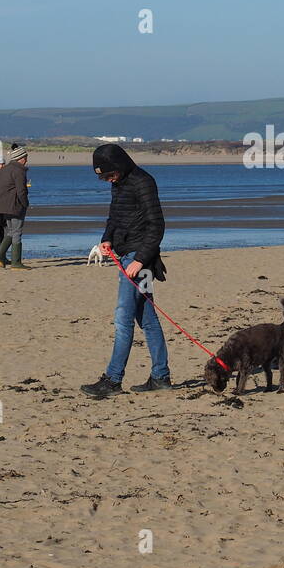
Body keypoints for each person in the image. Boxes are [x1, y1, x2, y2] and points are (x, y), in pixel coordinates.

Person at [83, 143, 170, 398]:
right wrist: (107, 238)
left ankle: (113, 380)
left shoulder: (144, 182)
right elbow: (114, 216)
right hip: (126, 255)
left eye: (110, 174)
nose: (108, 179)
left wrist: (140, 260)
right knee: (148, 320)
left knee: (123, 319)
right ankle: (161, 376)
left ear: (120, 166)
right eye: (104, 177)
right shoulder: (118, 184)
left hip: (140, 260)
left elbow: (157, 226)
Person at [0, 145, 30, 269]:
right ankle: (16, 262)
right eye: (26, 157)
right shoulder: (19, 171)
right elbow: (21, 190)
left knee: (11, 231)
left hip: (3, 205)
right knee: (17, 232)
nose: (27, 160)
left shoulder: (5, 169)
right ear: (21, 158)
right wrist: (25, 203)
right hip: (14, 205)